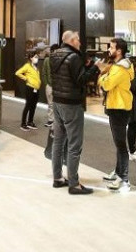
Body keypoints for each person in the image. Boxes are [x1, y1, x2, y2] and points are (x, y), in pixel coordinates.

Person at [50, 30, 98, 195]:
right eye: (77, 39)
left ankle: (57, 178)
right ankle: (74, 184)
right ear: (71, 41)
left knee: (58, 142)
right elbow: (81, 80)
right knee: (74, 145)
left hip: (57, 102)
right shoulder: (74, 57)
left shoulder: (54, 55)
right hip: (71, 104)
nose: (80, 42)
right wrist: (95, 68)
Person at [98, 38, 134, 193]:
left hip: (119, 108)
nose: (109, 50)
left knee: (120, 144)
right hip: (118, 106)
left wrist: (102, 74)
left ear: (119, 51)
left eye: (111, 47)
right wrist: (106, 74)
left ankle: (124, 178)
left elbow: (106, 84)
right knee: (119, 144)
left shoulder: (119, 68)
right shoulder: (120, 66)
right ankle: (118, 172)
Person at [15, 50, 42, 130]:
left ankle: (30, 122)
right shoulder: (27, 66)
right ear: (31, 58)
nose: (37, 59)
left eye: (37, 57)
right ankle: (23, 124)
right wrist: (26, 78)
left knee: (33, 106)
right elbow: (18, 73)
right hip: (30, 88)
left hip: (36, 89)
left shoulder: (36, 67)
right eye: (35, 57)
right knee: (28, 105)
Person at [41, 44, 59, 128]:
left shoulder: (60, 60)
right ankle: (51, 120)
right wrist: (47, 83)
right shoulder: (47, 60)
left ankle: (58, 121)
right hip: (49, 85)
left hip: (58, 86)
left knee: (58, 104)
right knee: (50, 103)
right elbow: (44, 73)